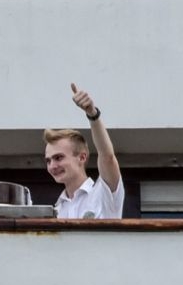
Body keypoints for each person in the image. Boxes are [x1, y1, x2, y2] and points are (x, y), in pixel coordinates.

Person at [46, 83, 124, 220]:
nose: (52, 166)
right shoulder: (56, 211)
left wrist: (93, 115)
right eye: (48, 160)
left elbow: (107, 157)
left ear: (82, 158)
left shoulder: (104, 194)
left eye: (58, 158)